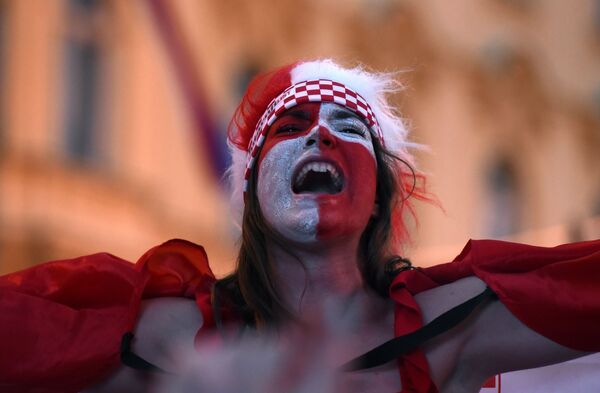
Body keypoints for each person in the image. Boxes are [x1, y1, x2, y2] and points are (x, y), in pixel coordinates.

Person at [1, 59, 599, 393]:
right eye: (290, 127)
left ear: (377, 195)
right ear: (254, 192)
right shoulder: (163, 334)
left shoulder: (451, 326)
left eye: (347, 124)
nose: (318, 134)